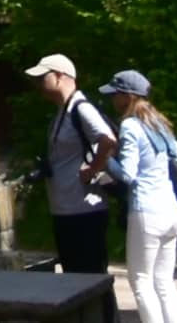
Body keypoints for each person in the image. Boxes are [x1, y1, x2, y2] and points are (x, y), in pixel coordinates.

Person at [100, 70, 177, 323]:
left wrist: (105, 160)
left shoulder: (130, 125)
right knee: (164, 282)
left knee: (140, 281)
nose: (112, 100)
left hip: (146, 211)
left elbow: (128, 175)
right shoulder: (159, 122)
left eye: (115, 94)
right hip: (171, 209)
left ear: (128, 96)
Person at [22, 52, 117, 275]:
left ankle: (103, 312)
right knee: (73, 276)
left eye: (41, 77)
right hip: (66, 210)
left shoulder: (80, 108)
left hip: (84, 210)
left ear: (58, 76)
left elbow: (108, 139)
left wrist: (93, 169)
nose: (37, 84)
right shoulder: (61, 113)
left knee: (90, 277)